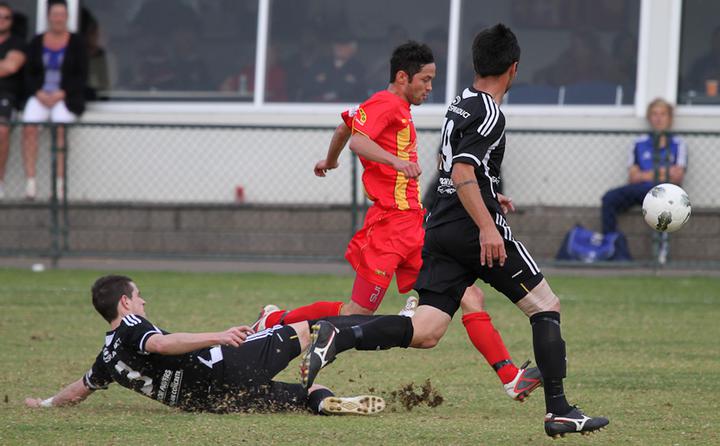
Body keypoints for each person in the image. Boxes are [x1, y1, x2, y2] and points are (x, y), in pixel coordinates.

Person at [254, 41, 542, 403]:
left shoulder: (396, 107)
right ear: (403, 76)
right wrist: (394, 161)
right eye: (425, 79)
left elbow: (347, 127)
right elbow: (359, 141)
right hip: (388, 229)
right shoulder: (387, 103)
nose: (430, 87)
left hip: (415, 227)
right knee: (355, 314)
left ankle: (510, 376)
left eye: (432, 80)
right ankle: (275, 320)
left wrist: (329, 161)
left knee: (471, 294)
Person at [406, 24, 608, 437]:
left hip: (444, 222)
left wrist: (491, 193)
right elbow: (462, 169)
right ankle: (559, 410)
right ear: (513, 69)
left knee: (425, 327)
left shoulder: (461, 100)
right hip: (473, 230)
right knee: (545, 305)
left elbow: (459, 167)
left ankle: (340, 334)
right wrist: (487, 225)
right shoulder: (492, 112)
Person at [24, 274, 413, 415]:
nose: (143, 302)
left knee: (305, 394)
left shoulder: (106, 358)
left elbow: (79, 390)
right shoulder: (130, 323)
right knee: (311, 327)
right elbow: (160, 344)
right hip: (226, 366)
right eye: (139, 296)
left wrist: (44, 403)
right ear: (124, 303)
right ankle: (403, 323)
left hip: (213, 403)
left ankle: (327, 403)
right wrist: (218, 336)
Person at [601, 98, 687, 262]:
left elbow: (677, 176)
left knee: (662, 203)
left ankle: (661, 251)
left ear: (669, 118)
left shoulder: (678, 143)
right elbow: (633, 176)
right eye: (654, 114)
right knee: (609, 198)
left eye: (663, 114)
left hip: (665, 192)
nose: (658, 118)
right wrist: (662, 172)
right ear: (649, 117)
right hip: (639, 190)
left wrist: (647, 173)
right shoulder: (638, 142)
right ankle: (610, 247)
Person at [22, 0, 88, 200]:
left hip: (65, 96)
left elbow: (82, 74)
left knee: (60, 130)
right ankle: (31, 183)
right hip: (40, 94)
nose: (58, 18)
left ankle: (58, 185)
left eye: (61, 14)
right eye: (54, 14)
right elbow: (29, 72)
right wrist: (38, 92)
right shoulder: (37, 41)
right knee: (29, 128)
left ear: (67, 17)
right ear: (48, 16)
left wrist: (63, 92)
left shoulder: (76, 43)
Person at [0, 2, 25, 199]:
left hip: (5, 96)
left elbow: (10, 67)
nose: (2, 21)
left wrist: (6, 64)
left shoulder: (17, 43)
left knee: (1, 131)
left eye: (6, 17)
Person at [303, 35, 366, 102]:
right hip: (318, 107)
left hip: (345, 107)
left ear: (353, 49)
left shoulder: (358, 68)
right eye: (337, 45)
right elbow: (308, 86)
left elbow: (359, 92)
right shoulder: (320, 65)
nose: (339, 48)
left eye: (344, 45)